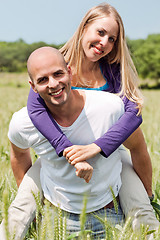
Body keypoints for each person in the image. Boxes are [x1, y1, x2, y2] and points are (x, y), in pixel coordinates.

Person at [26, 1, 159, 228]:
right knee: (21, 208)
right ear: (84, 27)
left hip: (110, 155)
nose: (104, 43)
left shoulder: (113, 70)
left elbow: (133, 114)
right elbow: (35, 108)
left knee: (142, 210)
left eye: (112, 39)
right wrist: (67, 149)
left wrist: (97, 147)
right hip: (60, 154)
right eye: (100, 32)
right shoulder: (57, 64)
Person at [2, 46, 127, 239]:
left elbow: (137, 146)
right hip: (56, 219)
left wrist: (147, 196)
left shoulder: (109, 107)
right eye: (43, 80)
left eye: (58, 74)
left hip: (109, 214)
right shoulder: (23, 122)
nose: (53, 84)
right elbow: (18, 154)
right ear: (32, 86)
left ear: (69, 72)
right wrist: (32, 198)